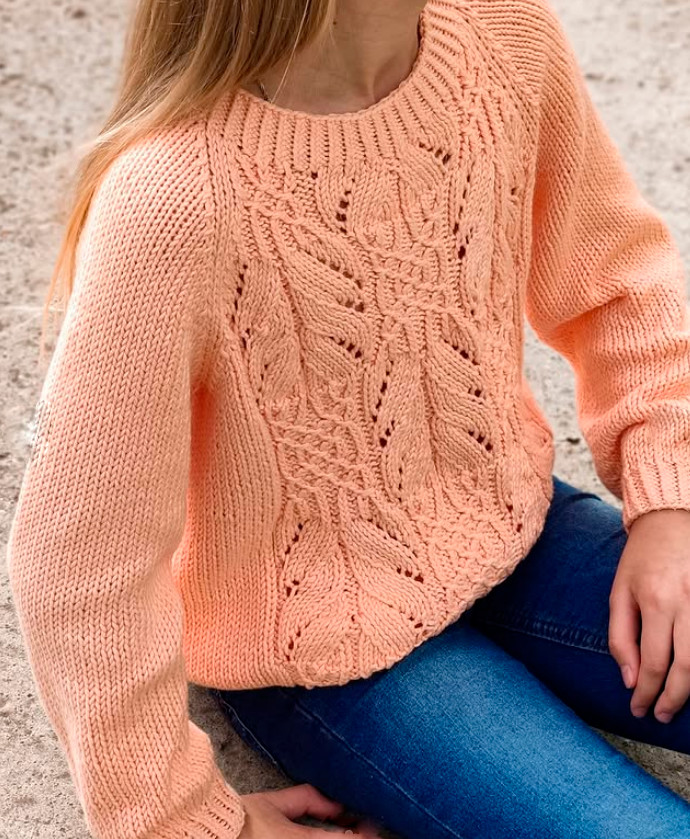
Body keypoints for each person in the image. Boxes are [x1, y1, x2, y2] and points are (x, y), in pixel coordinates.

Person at [6, 0, 690, 836]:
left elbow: (617, 279)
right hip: (321, 651)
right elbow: (79, 558)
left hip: (515, 528)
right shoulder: (172, 200)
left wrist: (669, 502)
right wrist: (183, 818)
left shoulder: (507, 35)